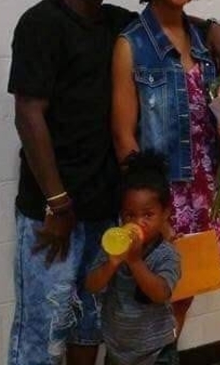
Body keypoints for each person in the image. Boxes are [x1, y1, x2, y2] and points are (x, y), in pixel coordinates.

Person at [7, 0, 220, 365]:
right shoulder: (41, 23)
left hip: (104, 204)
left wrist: (215, 25)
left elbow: (169, 19)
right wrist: (57, 202)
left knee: (90, 321)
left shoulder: (116, 22)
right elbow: (27, 115)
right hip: (53, 208)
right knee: (44, 325)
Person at [111, 0, 220, 334]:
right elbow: (123, 136)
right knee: (153, 295)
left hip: (205, 187)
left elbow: (214, 113)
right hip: (164, 193)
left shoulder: (204, 39)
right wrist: (153, 210)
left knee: (185, 290)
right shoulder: (131, 44)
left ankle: (167, 355)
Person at [86, 150, 181, 365]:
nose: (138, 222)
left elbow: (160, 294)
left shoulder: (166, 254)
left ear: (165, 213)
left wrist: (135, 261)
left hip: (157, 352)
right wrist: (111, 264)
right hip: (117, 352)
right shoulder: (113, 247)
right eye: (130, 215)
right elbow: (91, 285)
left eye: (148, 215)